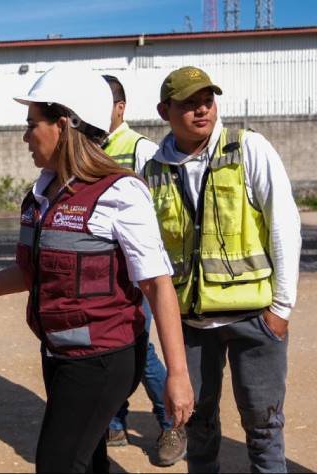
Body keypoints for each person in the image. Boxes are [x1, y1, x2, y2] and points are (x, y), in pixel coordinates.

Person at [0, 64, 194, 473]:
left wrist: (177, 375)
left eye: (31, 123)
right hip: (58, 353)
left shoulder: (120, 193)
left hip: (103, 359)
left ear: (64, 124)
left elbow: (158, 285)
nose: (24, 136)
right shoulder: (41, 194)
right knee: (87, 460)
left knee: (57, 463)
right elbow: (28, 273)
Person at [141, 66, 302, 473]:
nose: (202, 111)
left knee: (264, 428)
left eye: (207, 101)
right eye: (189, 104)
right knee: (197, 425)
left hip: (254, 320)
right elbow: (148, 253)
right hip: (191, 326)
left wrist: (280, 310)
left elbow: (284, 226)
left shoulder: (249, 149)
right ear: (165, 111)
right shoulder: (154, 171)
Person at [101, 74, 187, 466]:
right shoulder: (91, 146)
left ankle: (171, 421)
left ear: (120, 107)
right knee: (114, 345)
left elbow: (159, 213)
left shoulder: (140, 150)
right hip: (103, 274)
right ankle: (115, 421)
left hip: (136, 273)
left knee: (139, 350)